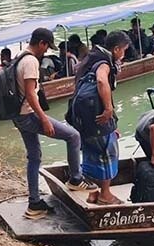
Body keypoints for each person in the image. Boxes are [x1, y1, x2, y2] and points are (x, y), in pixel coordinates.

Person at [12, 27, 96, 219]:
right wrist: (44, 119)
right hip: (29, 114)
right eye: (47, 47)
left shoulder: (19, 55)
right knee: (73, 136)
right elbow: (31, 95)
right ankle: (76, 178)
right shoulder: (31, 61)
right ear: (41, 43)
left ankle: (34, 204)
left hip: (17, 114)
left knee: (34, 156)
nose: (46, 51)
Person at [73, 30, 130, 205]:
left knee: (90, 151)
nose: (124, 54)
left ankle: (93, 192)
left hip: (81, 116)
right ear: (116, 49)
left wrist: (112, 123)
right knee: (107, 152)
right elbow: (101, 81)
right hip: (97, 116)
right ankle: (105, 195)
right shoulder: (104, 63)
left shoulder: (90, 58)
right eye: (124, 50)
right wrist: (108, 109)